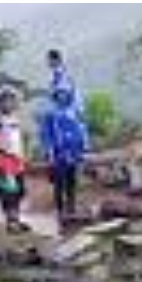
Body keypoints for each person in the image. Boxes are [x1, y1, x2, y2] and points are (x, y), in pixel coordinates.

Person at [40, 87, 89, 231]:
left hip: (73, 154)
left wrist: (84, 147)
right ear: (55, 96)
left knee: (72, 181)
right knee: (59, 183)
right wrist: (49, 152)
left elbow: (81, 130)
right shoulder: (50, 114)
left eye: (65, 94)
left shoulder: (74, 112)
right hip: (58, 155)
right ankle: (60, 210)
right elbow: (46, 135)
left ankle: (71, 207)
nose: (62, 96)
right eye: (59, 94)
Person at [0, 85, 30, 234]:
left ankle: (15, 218)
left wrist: (25, 156)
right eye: (5, 100)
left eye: (11, 100)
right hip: (3, 158)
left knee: (20, 190)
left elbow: (22, 138)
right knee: (8, 190)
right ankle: (11, 221)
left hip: (17, 159)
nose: (8, 103)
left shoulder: (17, 117)